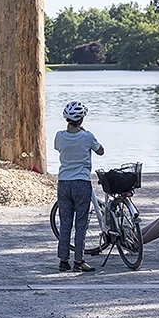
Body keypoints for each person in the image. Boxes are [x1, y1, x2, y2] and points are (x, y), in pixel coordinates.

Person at [54, 101, 105, 273]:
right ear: (81, 119)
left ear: (66, 119)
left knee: (65, 223)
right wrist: (85, 134)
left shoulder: (59, 136)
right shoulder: (87, 136)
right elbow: (100, 151)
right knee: (81, 224)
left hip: (63, 183)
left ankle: (63, 261)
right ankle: (79, 261)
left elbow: (58, 148)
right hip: (81, 183)